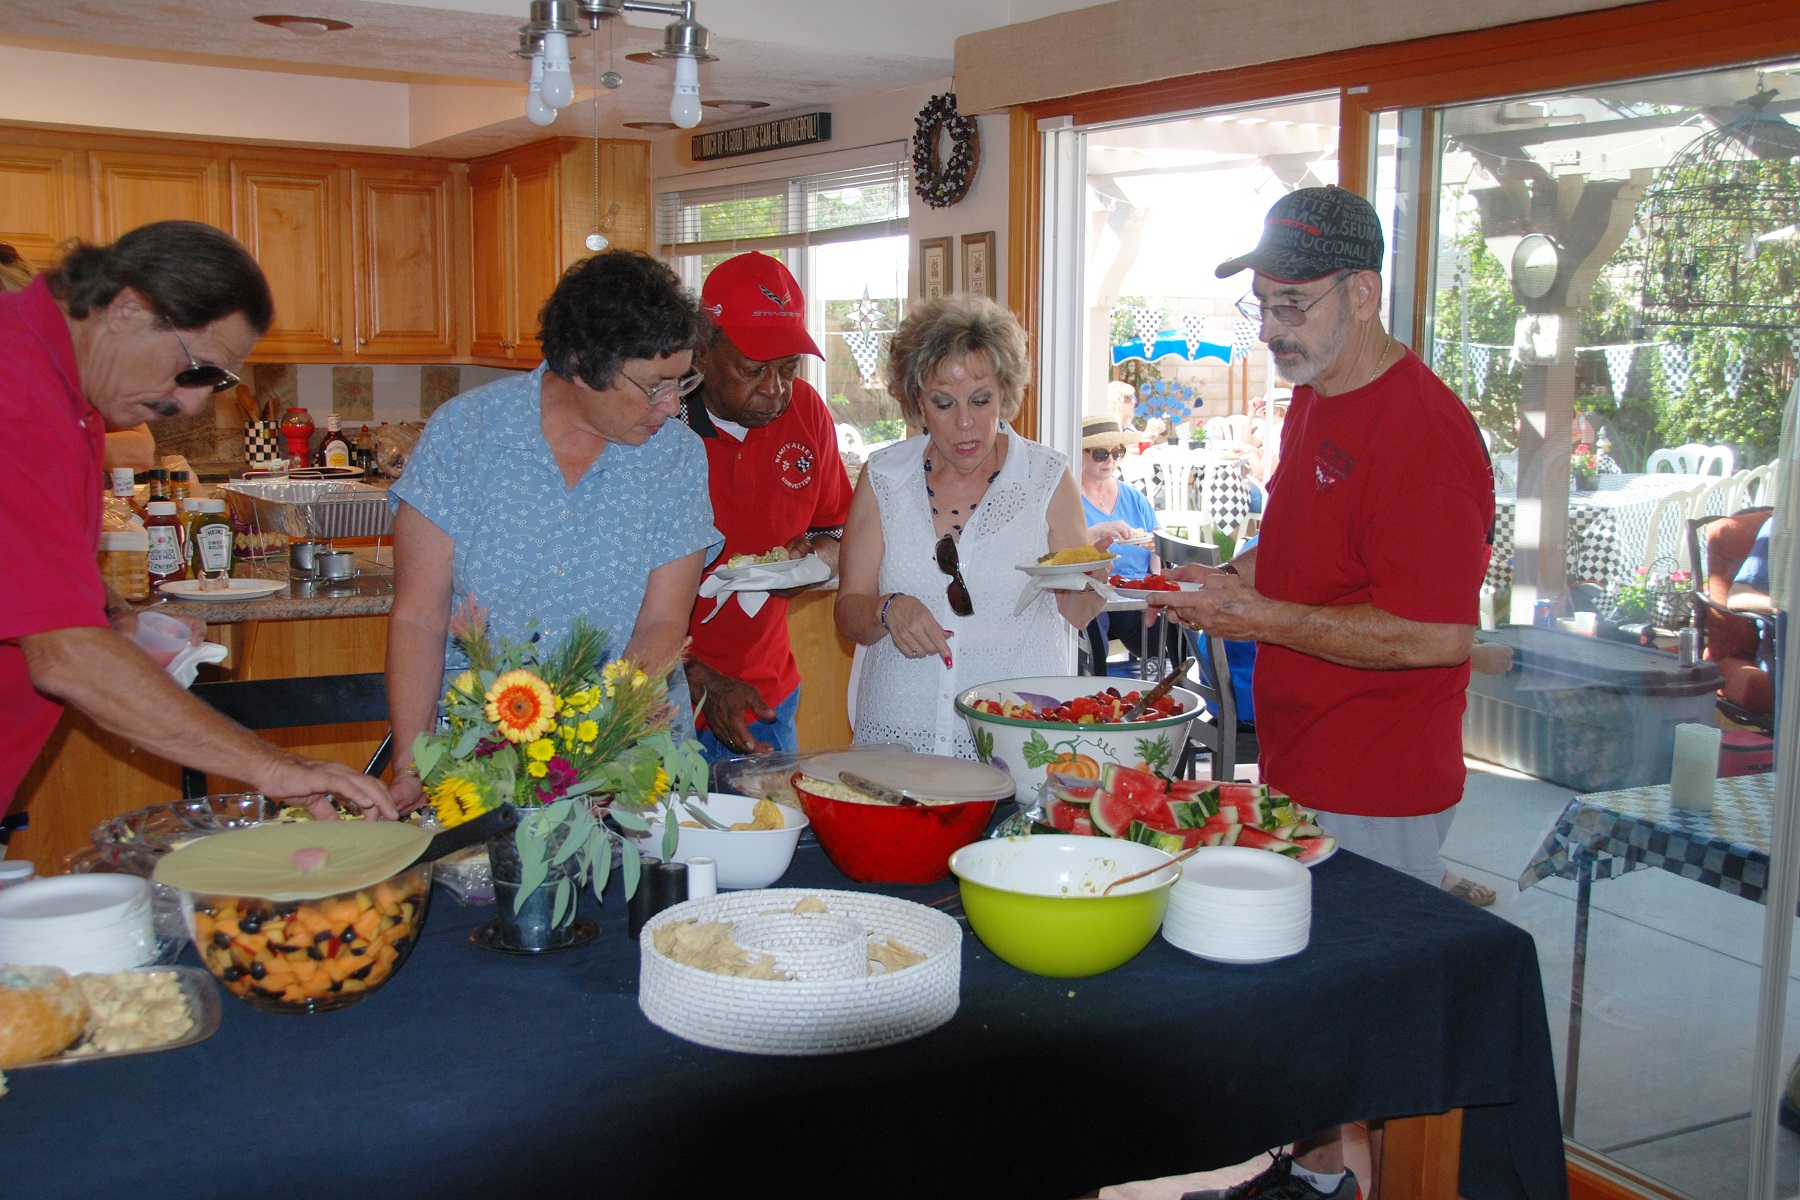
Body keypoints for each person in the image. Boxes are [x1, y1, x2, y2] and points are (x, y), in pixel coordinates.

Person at [1147, 186, 1495, 1200]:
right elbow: (1308, 549)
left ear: (1365, 293)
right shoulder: (1317, 396)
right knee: (1317, 1003)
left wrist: (1264, 621)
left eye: (1292, 306)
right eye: (1262, 305)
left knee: (1379, 1029)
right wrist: (1234, 578)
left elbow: (1435, 633)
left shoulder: (1424, 433)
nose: (1273, 330)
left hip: (1379, 779)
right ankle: (1315, 1179)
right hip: (1303, 760)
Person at [0, 221, 394, 821]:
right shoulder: (18, 398)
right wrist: (273, 767)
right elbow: (66, 656)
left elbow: (32, 566)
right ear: (127, 307)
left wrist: (113, 616)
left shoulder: (63, 389)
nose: (190, 404)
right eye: (196, 370)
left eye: (215, 381)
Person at [385, 250, 721, 815]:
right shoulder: (468, 434)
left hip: (625, 757)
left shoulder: (676, 459)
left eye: (681, 382)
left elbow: (663, 622)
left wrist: (603, 749)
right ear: (580, 361)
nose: (670, 407)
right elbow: (420, 615)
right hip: (480, 754)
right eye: (653, 386)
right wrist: (410, 763)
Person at [836, 295, 1106, 757]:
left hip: (1014, 744)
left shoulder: (1045, 478)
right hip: (898, 742)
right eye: (943, 403)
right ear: (916, 400)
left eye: (981, 400)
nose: (965, 424)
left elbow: (1078, 611)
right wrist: (887, 609)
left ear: (1005, 391)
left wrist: (1093, 583)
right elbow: (848, 614)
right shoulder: (884, 477)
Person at [678, 253, 852, 760]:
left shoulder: (806, 411)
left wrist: (818, 561)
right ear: (703, 353)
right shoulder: (658, 429)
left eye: (788, 368)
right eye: (752, 369)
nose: (775, 389)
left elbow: (836, 526)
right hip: (661, 698)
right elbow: (614, 602)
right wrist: (695, 679)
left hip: (766, 697)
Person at [1078, 414, 1167, 671]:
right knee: (1092, 640)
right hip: (1094, 592)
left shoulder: (1133, 497)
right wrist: (1097, 531)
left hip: (1136, 593)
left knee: (1174, 633)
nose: (1110, 461)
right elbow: (1063, 551)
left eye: (1117, 452)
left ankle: (1169, 696)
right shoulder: (1071, 499)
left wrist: (1155, 550)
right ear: (1081, 453)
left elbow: (1157, 541)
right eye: (1100, 454)